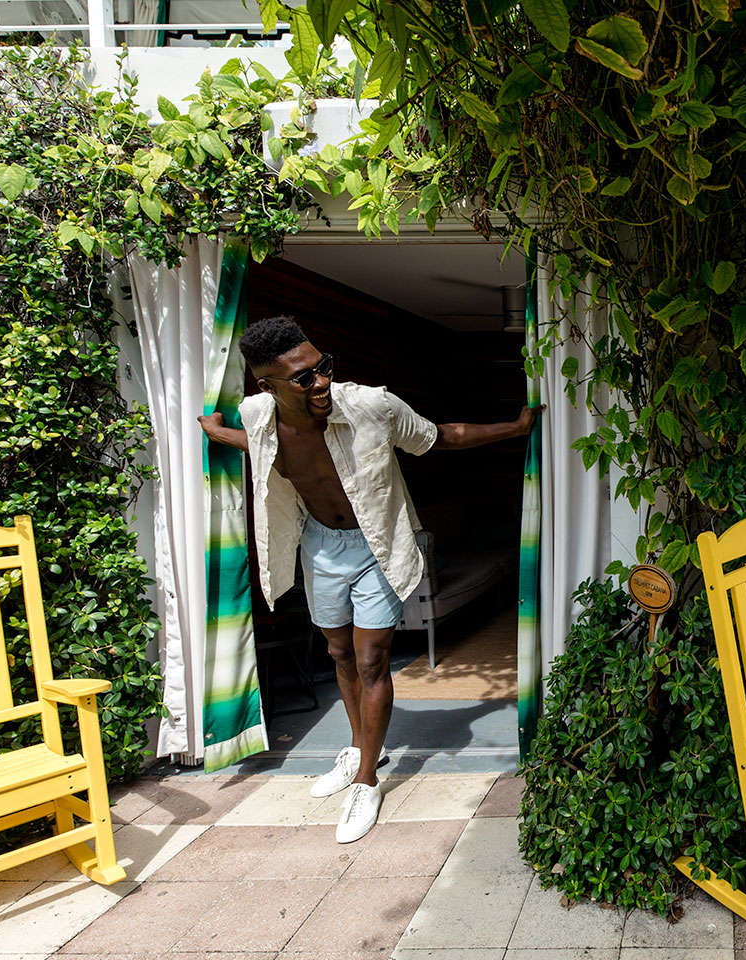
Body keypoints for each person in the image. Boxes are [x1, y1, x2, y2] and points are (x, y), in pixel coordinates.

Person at [200, 315, 537, 841]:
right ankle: (359, 746)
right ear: (267, 387)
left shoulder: (370, 405)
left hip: (377, 542)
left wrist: (514, 430)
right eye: (304, 378)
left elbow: (440, 436)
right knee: (338, 655)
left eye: (324, 367)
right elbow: (261, 447)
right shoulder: (259, 416)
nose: (322, 382)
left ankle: (367, 779)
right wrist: (218, 432)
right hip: (319, 545)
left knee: (371, 658)